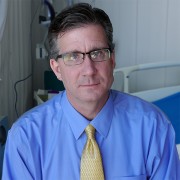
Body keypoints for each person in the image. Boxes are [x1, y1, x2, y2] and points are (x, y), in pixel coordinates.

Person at [2, 3, 180, 179]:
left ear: (112, 60)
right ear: (56, 68)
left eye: (98, 53)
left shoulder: (153, 128)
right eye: (73, 56)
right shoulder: (26, 137)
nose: (89, 69)